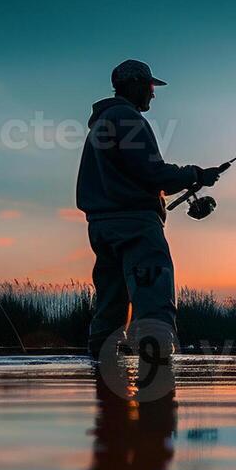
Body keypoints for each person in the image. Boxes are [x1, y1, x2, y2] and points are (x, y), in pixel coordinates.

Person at [76, 59, 225, 360]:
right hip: (135, 227)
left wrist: (190, 178)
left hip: (102, 228)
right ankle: (157, 378)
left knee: (111, 303)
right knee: (154, 300)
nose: (153, 94)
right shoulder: (126, 119)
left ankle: (103, 378)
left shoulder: (102, 123)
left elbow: (142, 174)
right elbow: (152, 173)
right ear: (133, 85)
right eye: (149, 86)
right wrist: (195, 174)